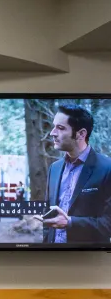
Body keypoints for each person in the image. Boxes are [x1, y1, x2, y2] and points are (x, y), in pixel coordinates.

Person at [40, 105, 111, 244]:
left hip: (87, 259)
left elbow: (108, 224)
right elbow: (47, 216)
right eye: (54, 127)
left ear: (81, 134)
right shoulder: (54, 168)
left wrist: (70, 222)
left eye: (60, 128)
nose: (52, 133)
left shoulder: (107, 168)